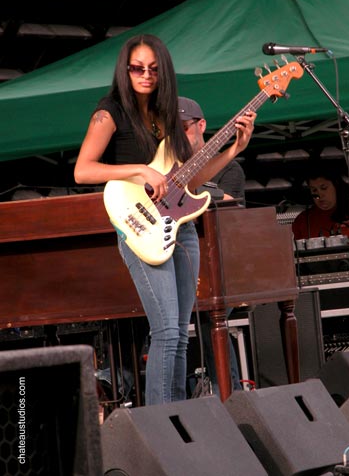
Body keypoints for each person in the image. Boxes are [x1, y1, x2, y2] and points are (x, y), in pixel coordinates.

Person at [74, 34, 256, 405]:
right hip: (140, 226)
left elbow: (190, 179)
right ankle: (160, 423)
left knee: (180, 332)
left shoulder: (168, 114)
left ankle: (177, 418)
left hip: (181, 228)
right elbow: (83, 170)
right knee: (167, 331)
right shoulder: (110, 112)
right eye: (137, 68)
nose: (145, 75)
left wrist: (235, 148)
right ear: (125, 70)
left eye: (153, 70)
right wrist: (140, 170)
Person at [178, 96, 245, 395]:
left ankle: (227, 395)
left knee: (210, 319)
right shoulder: (166, 170)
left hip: (221, 268)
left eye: (183, 127)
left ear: (201, 125)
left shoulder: (228, 170)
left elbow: (230, 210)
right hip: (179, 261)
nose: (177, 136)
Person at [292, 164, 349, 249]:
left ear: (336, 186)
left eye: (324, 188)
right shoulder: (302, 220)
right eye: (314, 190)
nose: (320, 195)